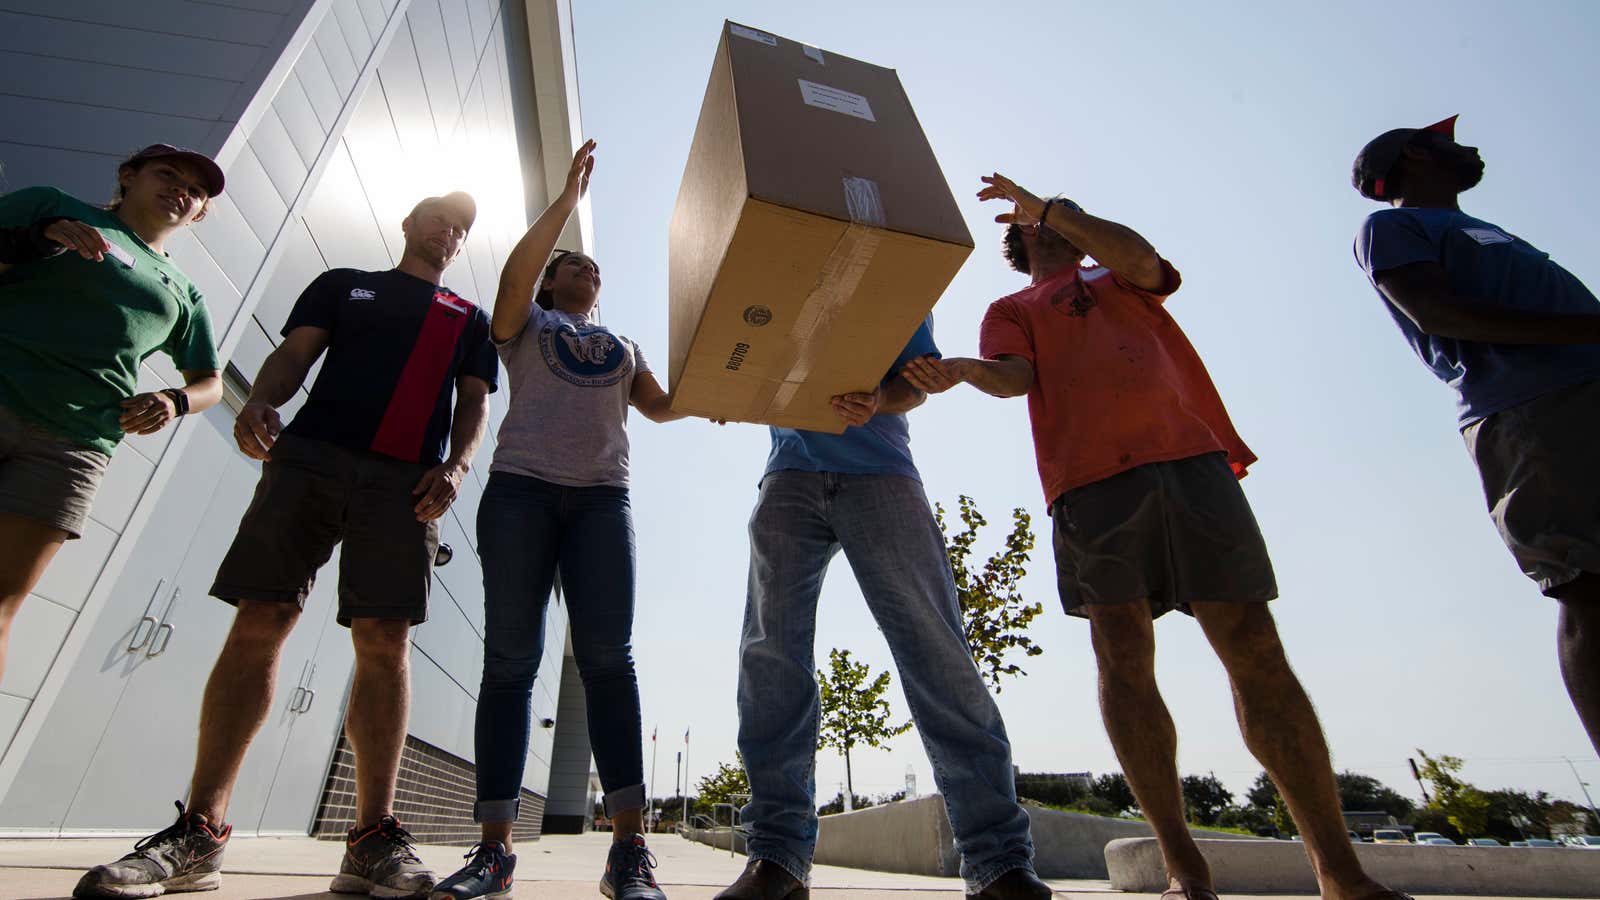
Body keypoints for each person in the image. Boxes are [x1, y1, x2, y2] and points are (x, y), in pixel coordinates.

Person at [900, 174, 1406, 900]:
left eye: (1064, 212)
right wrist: (963, 371)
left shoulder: (1119, 276)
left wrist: (1055, 208)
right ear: (1020, 242)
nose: (1057, 221)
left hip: (1191, 466)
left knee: (1254, 645)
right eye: (1043, 219)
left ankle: (1340, 872)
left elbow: (1145, 261)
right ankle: (1185, 871)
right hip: (1089, 487)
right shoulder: (1009, 307)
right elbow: (1012, 377)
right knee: (1124, 653)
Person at [75, 191, 498, 900]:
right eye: (437, 218)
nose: (447, 232)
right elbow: (293, 357)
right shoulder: (342, 285)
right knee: (262, 618)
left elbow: (476, 401)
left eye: (459, 229)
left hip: (404, 484)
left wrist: (455, 468)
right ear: (408, 224)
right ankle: (201, 832)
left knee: (384, 638)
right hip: (310, 459)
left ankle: (370, 841)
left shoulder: (466, 318)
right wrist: (260, 403)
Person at [430, 141, 684, 900]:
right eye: (573, 264)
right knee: (510, 663)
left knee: (611, 658)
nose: (588, 271)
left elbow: (666, 406)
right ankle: (495, 851)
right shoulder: (527, 322)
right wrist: (568, 202)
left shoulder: (622, 342)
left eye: (593, 269)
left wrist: (733, 365)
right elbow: (512, 277)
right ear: (549, 281)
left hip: (603, 501)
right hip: (521, 494)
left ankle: (628, 854)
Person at [716, 333, 1049, 896]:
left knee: (937, 653)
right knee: (771, 656)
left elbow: (915, 384)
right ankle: (777, 857)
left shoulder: (894, 260)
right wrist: (728, 391)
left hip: (883, 475)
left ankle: (999, 864)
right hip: (788, 477)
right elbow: (744, 357)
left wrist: (878, 398)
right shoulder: (775, 263)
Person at [1351, 115, 1600, 756]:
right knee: (1588, 585)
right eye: (1451, 139)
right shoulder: (1391, 227)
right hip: (1531, 414)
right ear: (1415, 154)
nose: (1472, 146)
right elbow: (1438, 312)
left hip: (1583, 394)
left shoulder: (1483, 230)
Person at [0, 144, 225, 688]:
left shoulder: (185, 293)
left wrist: (174, 401)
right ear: (129, 177)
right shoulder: (52, 206)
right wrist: (37, 238)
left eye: (194, 191)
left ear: (198, 212)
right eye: (167, 174)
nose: (181, 190)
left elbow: (211, 383)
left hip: (74, 448)